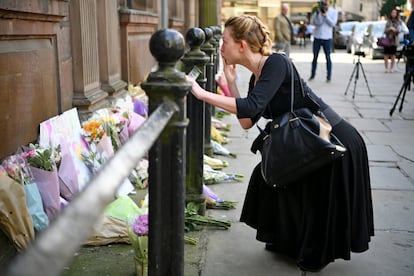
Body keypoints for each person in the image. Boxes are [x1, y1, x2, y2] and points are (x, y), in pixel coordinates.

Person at [186, 15, 374, 272]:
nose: (221, 48)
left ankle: (313, 253)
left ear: (242, 45)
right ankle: (287, 241)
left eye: (225, 42)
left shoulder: (277, 63)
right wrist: (231, 83)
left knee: (312, 195)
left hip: (331, 139)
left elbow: (250, 107)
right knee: (270, 178)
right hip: (305, 139)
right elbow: (247, 121)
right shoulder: (257, 77)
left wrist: (200, 93)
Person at [309, 0, 338, 82]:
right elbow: (314, 23)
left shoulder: (333, 12)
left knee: (328, 57)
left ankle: (329, 76)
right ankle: (312, 74)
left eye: (326, 1)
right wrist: (318, 14)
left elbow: (333, 24)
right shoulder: (317, 11)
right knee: (315, 57)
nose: (325, 3)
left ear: (329, 2)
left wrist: (326, 16)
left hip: (327, 38)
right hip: (317, 37)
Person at [383, 9, 402, 73]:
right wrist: (390, 29)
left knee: (393, 55)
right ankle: (386, 68)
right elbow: (385, 30)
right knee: (386, 54)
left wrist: (395, 30)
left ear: (396, 14)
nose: (393, 14)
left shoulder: (399, 21)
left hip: (394, 40)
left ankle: (391, 68)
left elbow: (399, 30)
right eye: (392, 12)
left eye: (395, 13)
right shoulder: (388, 21)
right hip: (388, 40)